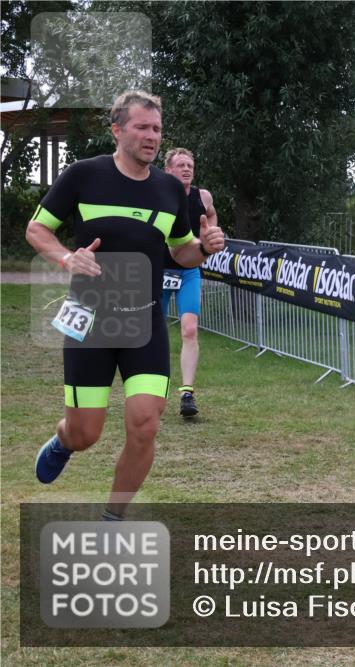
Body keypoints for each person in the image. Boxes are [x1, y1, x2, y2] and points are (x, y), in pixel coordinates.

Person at [26, 90, 225, 520]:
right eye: (142, 127)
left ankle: (112, 519)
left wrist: (205, 248)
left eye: (156, 128)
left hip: (145, 320)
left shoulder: (170, 189)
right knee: (86, 433)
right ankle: (64, 441)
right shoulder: (82, 176)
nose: (151, 136)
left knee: (145, 423)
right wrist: (66, 257)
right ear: (117, 131)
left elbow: (181, 251)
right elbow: (37, 230)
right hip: (90, 320)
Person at [161, 148, 217, 418]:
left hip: (189, 271)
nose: (186, 169)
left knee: (190, 329)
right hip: (158, 269)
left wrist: (209, 237)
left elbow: (211, 214)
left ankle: (187, 394)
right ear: (168, 169)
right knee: (151, 331)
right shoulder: (157, 192)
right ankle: (151, 389)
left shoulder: (202, 196)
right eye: (181, 165)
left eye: (190, 165)